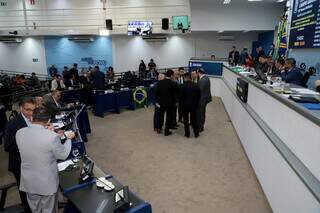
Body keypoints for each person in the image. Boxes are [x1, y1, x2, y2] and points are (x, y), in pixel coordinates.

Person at [16, 107, 73, 213]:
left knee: (35, 210)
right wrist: (68, 139)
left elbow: (35, 143)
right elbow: (63, 155)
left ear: (32, 117)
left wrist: (50, 133)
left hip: (28, 182)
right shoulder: (52, 137)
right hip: (47, 183)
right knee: (49, 210)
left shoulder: (19, 133)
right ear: (48, 121)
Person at [4, 97, 36, 213]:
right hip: (19, 164)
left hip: (33, 162)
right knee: (25, 193)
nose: (31, 113)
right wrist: (28, 147)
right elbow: (8, 146)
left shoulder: (34, 118)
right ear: (21, 108)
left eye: (33, 109)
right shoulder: (13, 124)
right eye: (28, 110)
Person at [155, 70, 178, 136]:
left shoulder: (160, 83)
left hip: (161, 103)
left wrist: (157, 101)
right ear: (171, 75)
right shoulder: (173, 83)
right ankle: (166, 131)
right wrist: (176, 101)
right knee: (168, 117)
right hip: (170, 104)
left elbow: (157, 93)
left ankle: (159, 128)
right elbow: (176, 94)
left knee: (161, 116)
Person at [180, 73, 200, 138]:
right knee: (194, 120)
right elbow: (199, 96)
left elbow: (180, 97)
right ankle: (196, 133)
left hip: (184, 106)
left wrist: (180, 105)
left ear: (185, 78)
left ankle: (187, 134)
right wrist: (196, 104)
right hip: (193, 106)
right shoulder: (196, 85)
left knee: (185, 120)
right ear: (190, 77)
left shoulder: (182, 86)